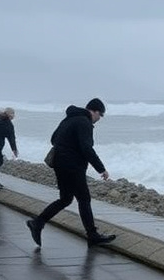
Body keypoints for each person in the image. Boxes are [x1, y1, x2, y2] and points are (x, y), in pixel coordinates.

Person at [26, 98, 116, 247]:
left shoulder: (69, 119)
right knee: (84, 199)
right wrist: (101, 169)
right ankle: (92, 235)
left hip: (60, 164)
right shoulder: (84, 122)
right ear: (94, 111)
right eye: (100, 115)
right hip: (73, 166)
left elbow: (53, 139)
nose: (99, 119)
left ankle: (37, 223)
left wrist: (67, 146)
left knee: (66, 199)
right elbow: (86, 148)